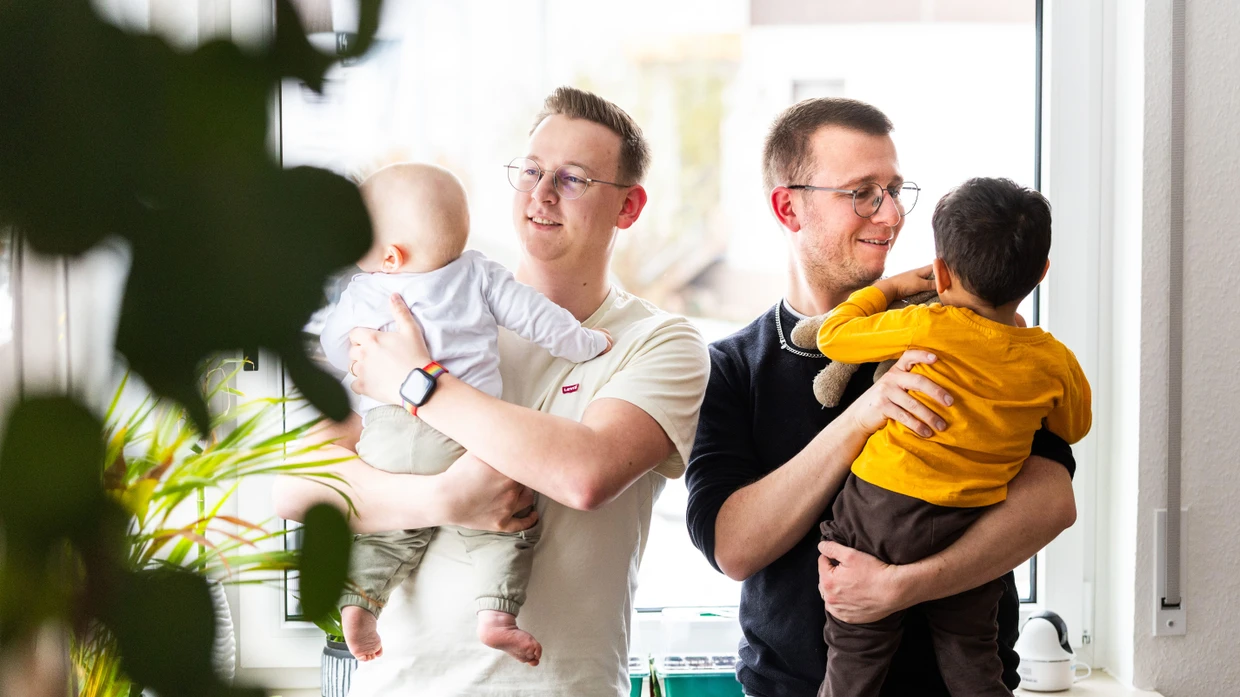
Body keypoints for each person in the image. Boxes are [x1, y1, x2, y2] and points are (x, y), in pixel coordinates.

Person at [275, 86, 709, 696]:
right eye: (530, 171)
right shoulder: (419, 311)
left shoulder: (659, 343)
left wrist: (418, 382)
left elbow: (585, 473)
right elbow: (296, 485)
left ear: (629, 207)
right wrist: (444, 499)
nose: (541, 194)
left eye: (574, 178)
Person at [684, 98, 1080, 697]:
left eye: (896, 189)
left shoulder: (964, 334)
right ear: (788, 207)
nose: (892, 215)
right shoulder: (733, 366)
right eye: (863, 192)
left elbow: (1051, 502)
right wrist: (863, 416)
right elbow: (734, 548)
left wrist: (902, 586)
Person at [317, 162, 614, 664]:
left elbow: (333, 345)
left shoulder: (365, 290)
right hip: (468, 435)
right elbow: (538, 319)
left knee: (385, 530)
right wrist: (587, 343)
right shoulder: (478, 273)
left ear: (389, 255)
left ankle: (362, 605)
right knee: (506, 525)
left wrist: (358, 361)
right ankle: (496, 615)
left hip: (387, 433)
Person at [812, 177, 1092, 697]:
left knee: (856, 654)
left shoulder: (930, 324)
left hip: (882, 511)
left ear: (940, 273)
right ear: (1040, 276)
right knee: (973, 656)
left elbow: (833, 336)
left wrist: (891, 288)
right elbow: (1073, 428)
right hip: (971, 523)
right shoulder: (1055, 362)